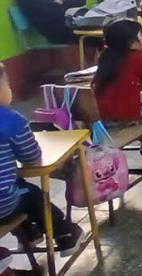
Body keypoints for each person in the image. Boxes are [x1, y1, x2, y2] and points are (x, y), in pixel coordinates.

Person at [0, 62, 84, 265]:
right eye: (7, 83)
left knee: (20, 188)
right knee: (33, 195)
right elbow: (32, 157)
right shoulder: (10, 120)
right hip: (2, 204)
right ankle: (65, 234)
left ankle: (30, 232)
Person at [92, 19, 142, 152]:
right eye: (141, 35)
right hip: (124, 117)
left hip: (100, 116)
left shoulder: (106, 56)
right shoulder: (135, 59)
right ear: (131, 42)